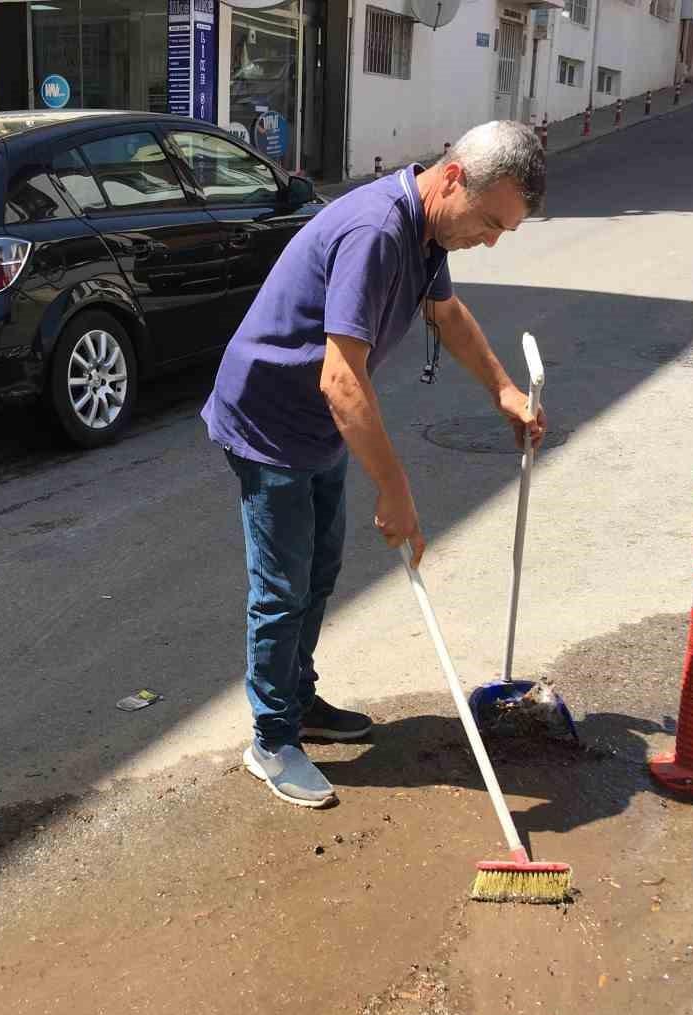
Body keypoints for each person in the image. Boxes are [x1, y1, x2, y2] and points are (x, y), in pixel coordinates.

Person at [202, 120, 548, 809]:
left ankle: (298, 701)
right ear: (453, 178)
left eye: (505, 229)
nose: (491, 239)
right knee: (281, 588)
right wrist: (396, 490)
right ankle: (270, 741)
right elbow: (341, 381)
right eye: (489, 221)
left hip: (321, 424)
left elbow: (447, 317)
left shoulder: (427, 232)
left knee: (321, 567)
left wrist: (505, 388)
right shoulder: (378, 233)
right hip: (272, 420)